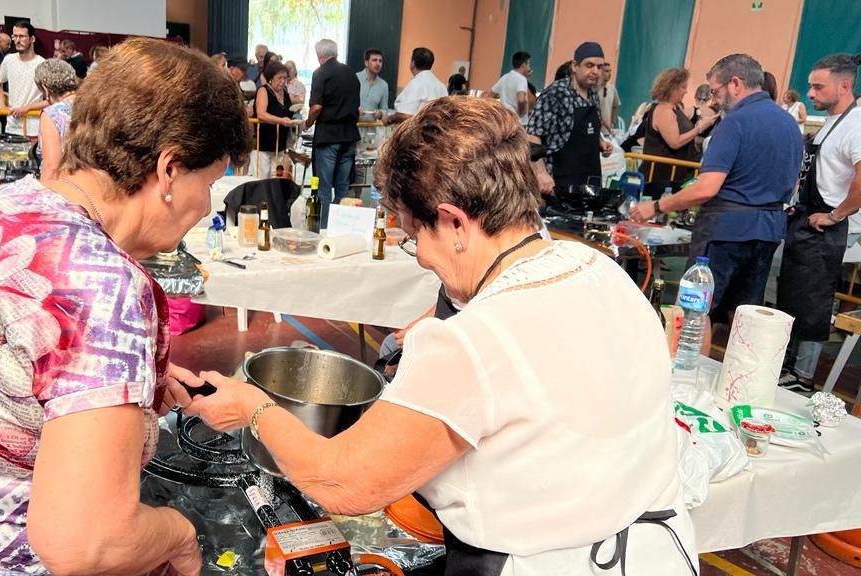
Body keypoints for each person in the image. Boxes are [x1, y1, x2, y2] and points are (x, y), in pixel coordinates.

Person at [184, 97, 698, 576]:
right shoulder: (602, 269)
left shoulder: (474, 340)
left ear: (453, 221)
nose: (422, 257)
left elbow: (340, 479)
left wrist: (253, 408)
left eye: (414, 236)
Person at [0, 37, 250, 576]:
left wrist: (122, 383)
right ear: (169, 170)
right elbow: (86, 544)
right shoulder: (106, 284)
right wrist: (179, 534)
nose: (207, 205)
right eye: (211, 181)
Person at [630, 54, 803, 351]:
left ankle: (688, 381)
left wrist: (656, 206)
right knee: (744, 314)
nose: (714, 99)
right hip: (768, 229)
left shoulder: (734, 123)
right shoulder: (789, 123)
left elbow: (706, 188)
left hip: (726, 231)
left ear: (735, 84)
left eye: (715, 90)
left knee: (697, 311)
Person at [776, 54, 861, 393]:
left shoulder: (856, 124)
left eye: (817, 86)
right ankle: (788, 365)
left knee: (813, 300)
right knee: (794, 295)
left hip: (830, 227)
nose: (810, 93)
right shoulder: (830, 121)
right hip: (807, 220)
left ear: (845, 85)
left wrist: (836, 215)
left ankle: (802, 377)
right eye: (810, 85)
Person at [527, 42, 613, 194]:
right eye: (589, 65)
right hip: (558, 182)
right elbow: (533, 135)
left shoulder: (593, 95)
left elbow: (588, 129)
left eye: (599, 67)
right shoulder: (555, 94)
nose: (595, 71)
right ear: (575, 66)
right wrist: (540, 173)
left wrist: (601, 143)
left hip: (589, 182)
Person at [305, 38, 359, 226]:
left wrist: (308, 122)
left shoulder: (321, 73)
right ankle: (341, 227)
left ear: (320, 56)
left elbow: (316, 107)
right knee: (343, 187)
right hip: (350, 136)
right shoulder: (351, 74)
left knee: (324, 188)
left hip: (328, 136)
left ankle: (324, 228)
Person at [640, 68, 717, 194]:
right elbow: (675, 142)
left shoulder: (675, 109)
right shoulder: (664, 111)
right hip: (661, 177)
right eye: (682, 87)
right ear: (671, 88)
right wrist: (699, 128)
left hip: (674, 174)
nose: (686, 91)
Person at [0, 21, 46, 138]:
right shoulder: (9, 60)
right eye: (15, 36)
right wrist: (2, 105)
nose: (17, 40)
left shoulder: (42, 64)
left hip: (33, 129)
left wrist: (27, 108)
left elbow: (51, 99)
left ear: (32, 39)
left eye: (22, 36)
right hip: (11, 127)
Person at [35, 59, 78, 181]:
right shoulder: (93, 105)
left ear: (46, 88)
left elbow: (52, 167)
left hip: (66, 188)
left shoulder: (52, 114)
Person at [253, 60, 295, 178]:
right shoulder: (263, 91)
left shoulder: (285, 93)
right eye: (279, 78)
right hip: (263, 145)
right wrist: (281, 121)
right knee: (261, 179)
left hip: (280, 146)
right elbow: (261, 114)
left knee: (277, 179)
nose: (282, 81)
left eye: (285, 78)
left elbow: (289, 112)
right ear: (271, 78)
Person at [384, 47, 446, 125]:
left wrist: (390, 119)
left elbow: (405, 115)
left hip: (417, 133)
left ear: (413, 63)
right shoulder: (441, 86)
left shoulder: (416, 84)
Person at [490, 50, 531, 123]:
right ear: (523, 64)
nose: (529, 67)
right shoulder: (522, 79)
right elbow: (521, 99)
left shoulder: (504, 77)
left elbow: (489, 95)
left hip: (505, 119)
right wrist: (521, 113)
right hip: (517, 122)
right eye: (528, 64)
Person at [357, 48, 388, 123]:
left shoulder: (384, 85)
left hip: (371, 129)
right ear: (366, 63)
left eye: (380, 61)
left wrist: (380, 113)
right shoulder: (355, 79)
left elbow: (384, 109)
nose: (378, 64)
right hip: (353, 128)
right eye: (374, 60)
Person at [598, 62, 621, 135]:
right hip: (596, 130)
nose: (609, 74)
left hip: (607, 131)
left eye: (610, 71)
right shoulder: (593, 89)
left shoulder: (612, 89)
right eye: (606, 71)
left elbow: (615, 106)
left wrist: (612, 122)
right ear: (600, 72)